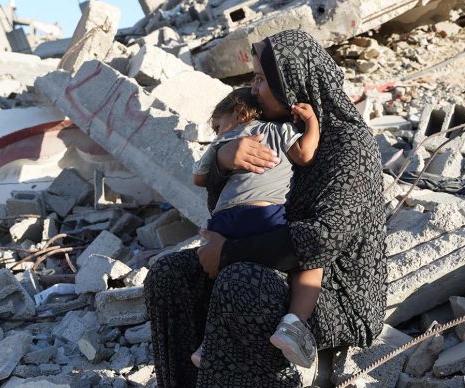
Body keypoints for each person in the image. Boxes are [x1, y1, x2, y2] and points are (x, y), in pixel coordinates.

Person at [144, 29, 387, 387]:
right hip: (270, 264)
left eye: (261, 79)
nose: (253, 89)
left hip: (331, 294)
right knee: (169, 275)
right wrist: (224, 163)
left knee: (241, 281)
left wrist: (228, 254)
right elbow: (229, 208)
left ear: (289, 80)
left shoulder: (350, 145)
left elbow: (323, 240)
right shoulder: (268, 131)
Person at [190, 87, 323, 368]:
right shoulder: (280, 131)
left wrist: (222, 155)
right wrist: (312, 122)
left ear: (238, 113)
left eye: (218, 125)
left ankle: (208, 344)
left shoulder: (221, 143)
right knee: (309, 260)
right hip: (264, 214)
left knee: (221, 281)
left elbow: (199, 179)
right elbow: (306, 155)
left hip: (222, 222)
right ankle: (293, 325)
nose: (217, 132)